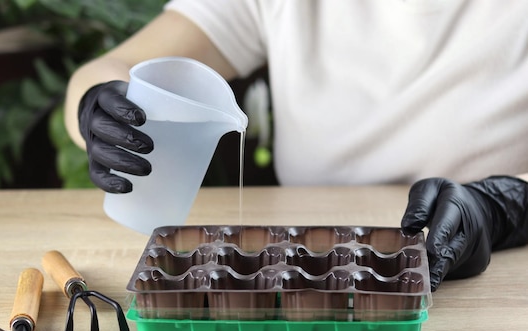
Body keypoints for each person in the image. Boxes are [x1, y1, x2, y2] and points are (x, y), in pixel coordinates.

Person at [64, 1, 528, 291]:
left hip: (494, 287)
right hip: (305, 272)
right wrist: (94, 103)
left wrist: (503, 203)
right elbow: (114, 66)